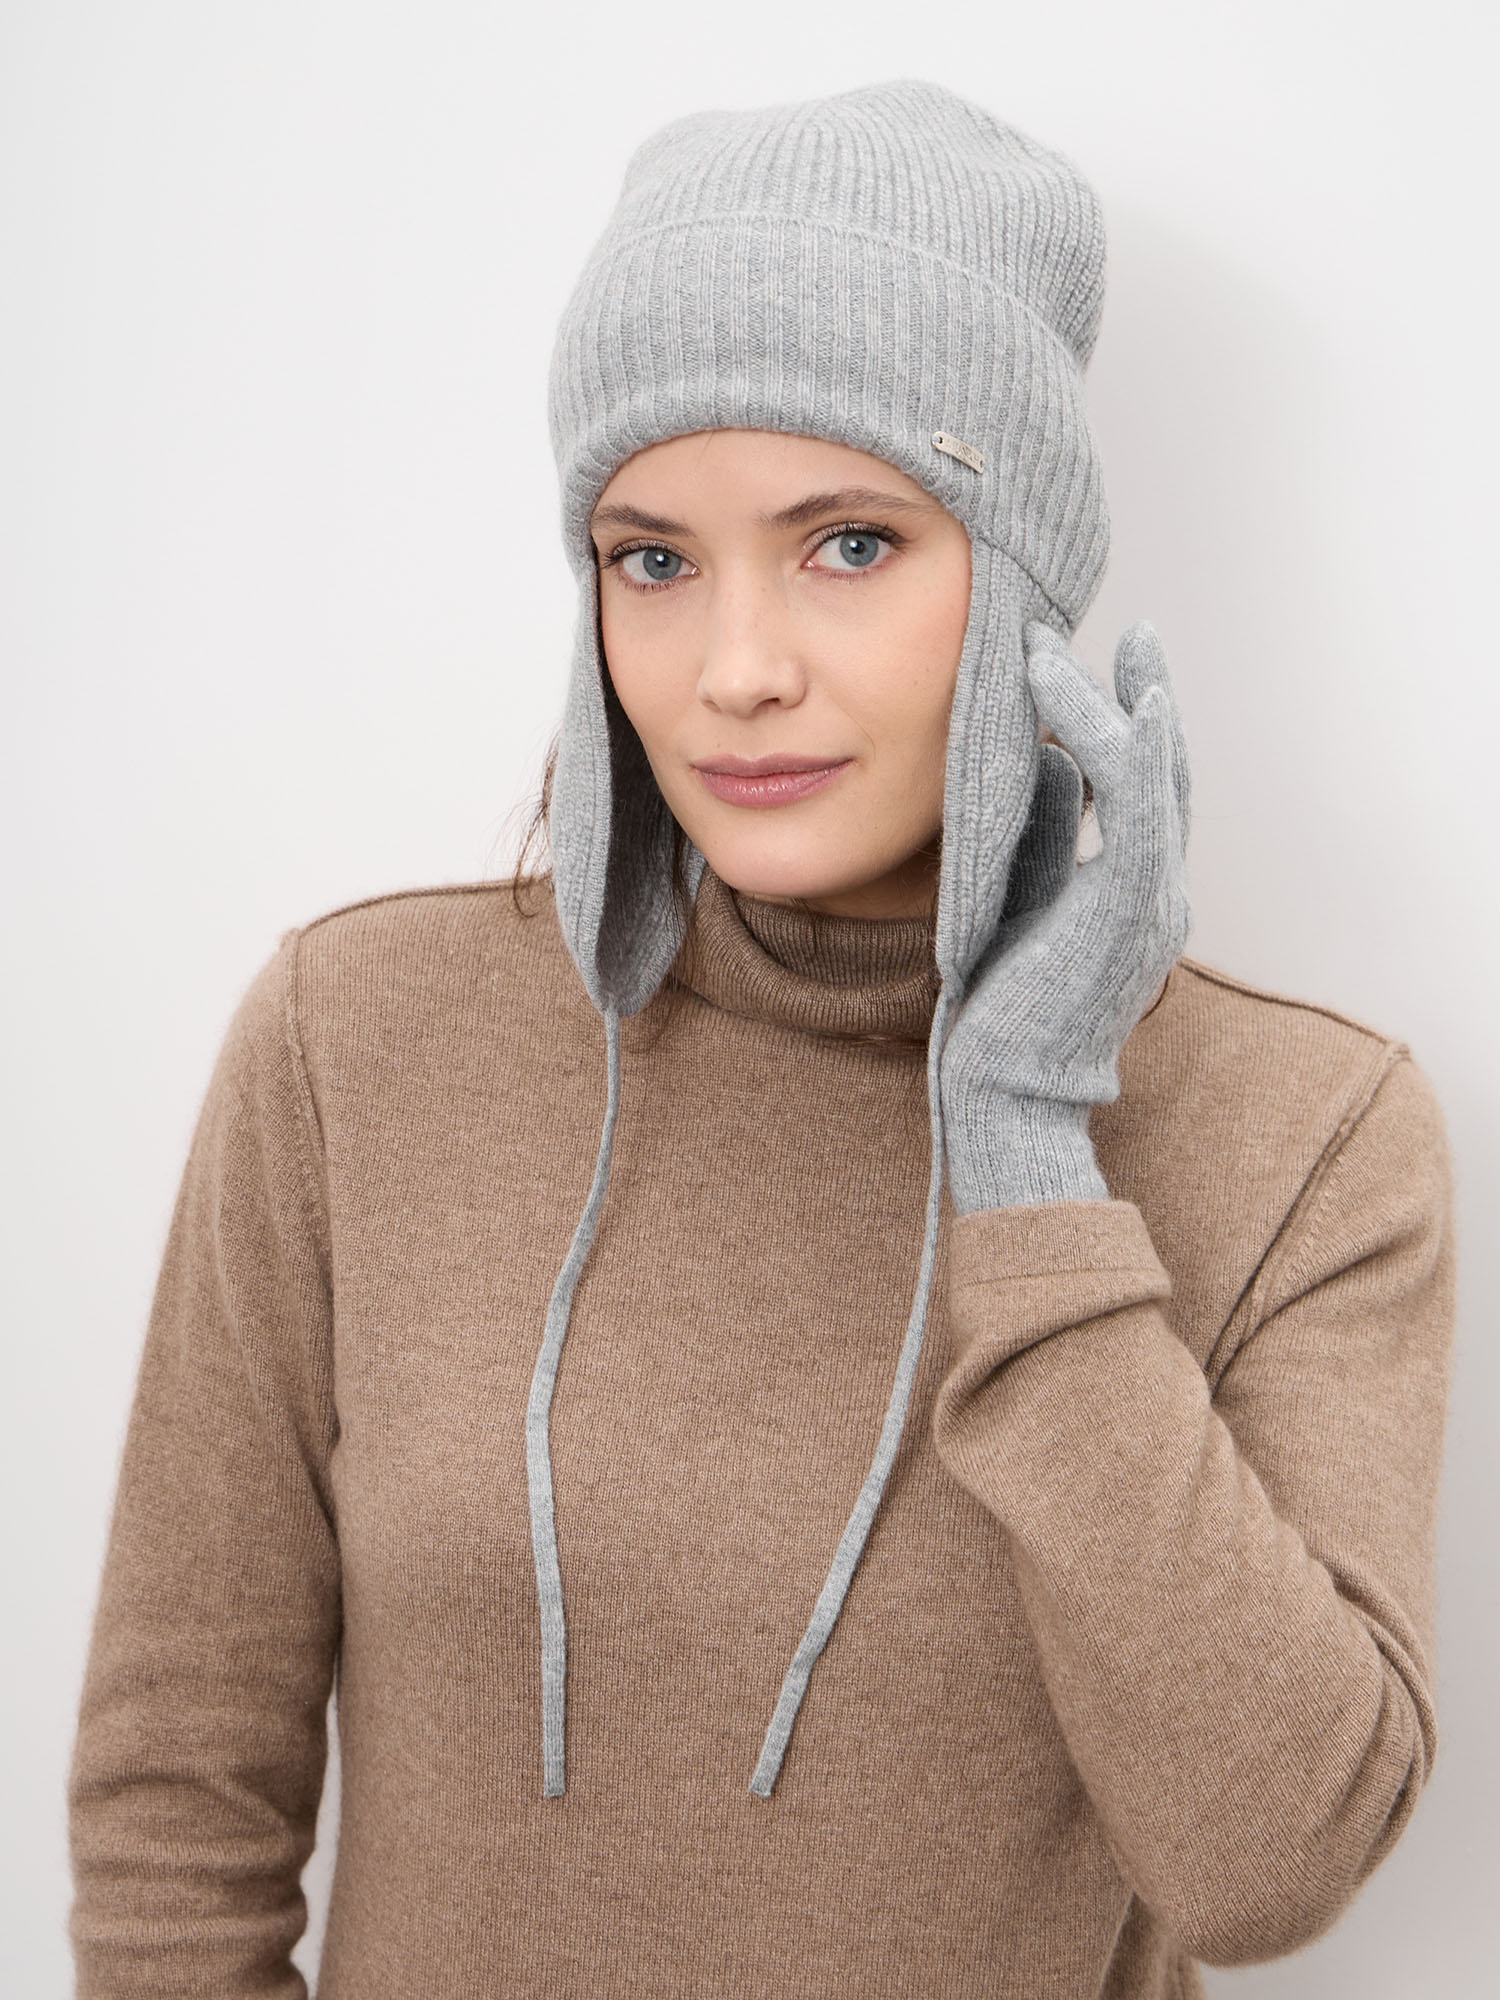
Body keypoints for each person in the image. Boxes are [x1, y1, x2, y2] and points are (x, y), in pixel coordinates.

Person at [66, 77, 1456, 2000]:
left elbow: (1271, 1866)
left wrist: (1028, 1146)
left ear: (1022, 580)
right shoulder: (353, 1045)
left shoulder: (1310, 1131)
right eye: (652, 559)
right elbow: (174, 1818)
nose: (735, 670)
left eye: (850, 544)